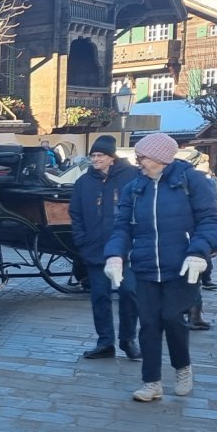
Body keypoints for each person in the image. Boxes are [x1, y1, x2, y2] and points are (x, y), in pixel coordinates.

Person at [104, 132, 217, 402]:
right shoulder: (134, 188)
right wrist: (115, 255)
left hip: (182, 266)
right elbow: (122, 227)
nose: (139, 163)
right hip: (145, 265)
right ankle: (151, 382)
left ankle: (182, 367)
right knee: (148, 323)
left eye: (142, 157)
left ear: (161, 158)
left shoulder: (192, 181)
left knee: (172, 317)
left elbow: (210, 220)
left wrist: (198, 251)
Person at [69, 134, 140, 360]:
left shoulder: (132, 176)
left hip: (126, 249)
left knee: (130, 292)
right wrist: (82, 240)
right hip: (95, 248)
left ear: (112, 157)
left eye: (100, 155)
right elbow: (76, 214)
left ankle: (128, 339)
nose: (96, 159)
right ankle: (105, 342)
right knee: (100, 297)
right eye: (93, 155)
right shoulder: (84, 182)